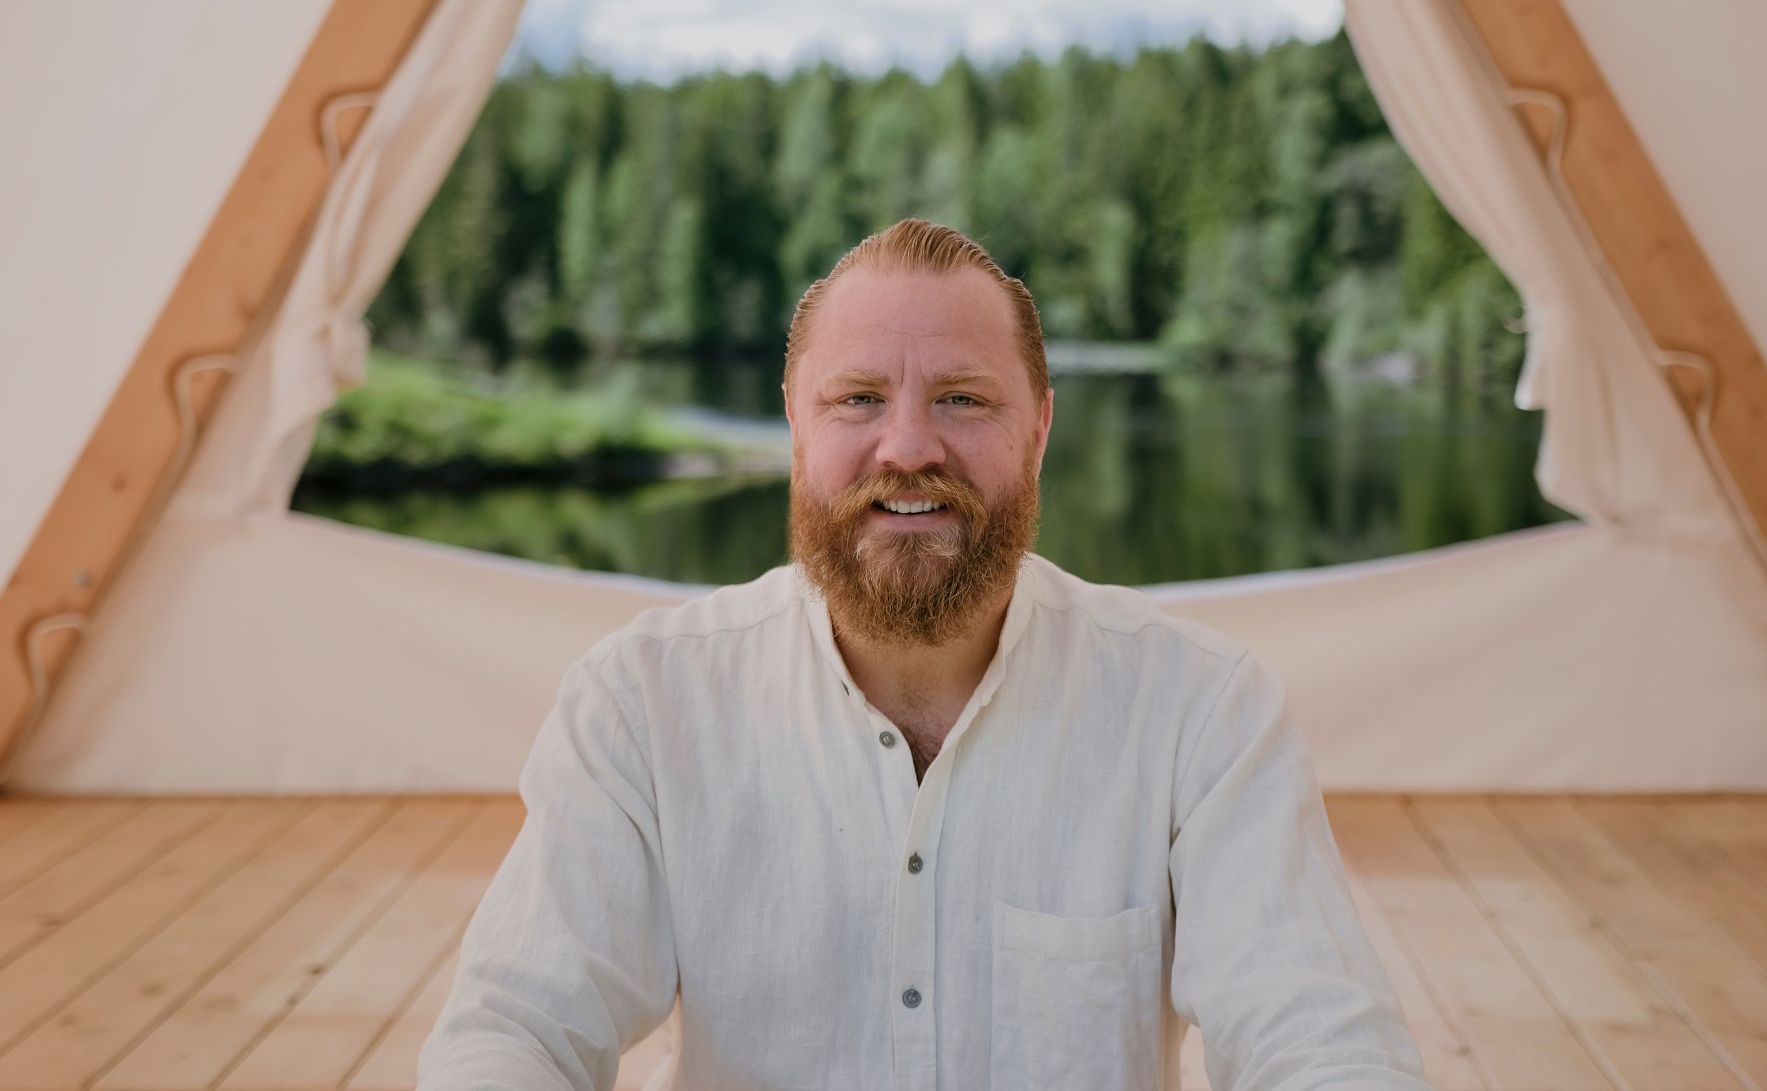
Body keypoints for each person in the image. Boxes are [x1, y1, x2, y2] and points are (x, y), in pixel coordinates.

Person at [416, 219, 1430, 1090]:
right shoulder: (642, 703)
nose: (907, 447)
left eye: (960, 399)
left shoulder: (1202, 711)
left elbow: (1321, 1040)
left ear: (1037, 431)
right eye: (857, 399)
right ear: (797, 432)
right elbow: (518, 1029)